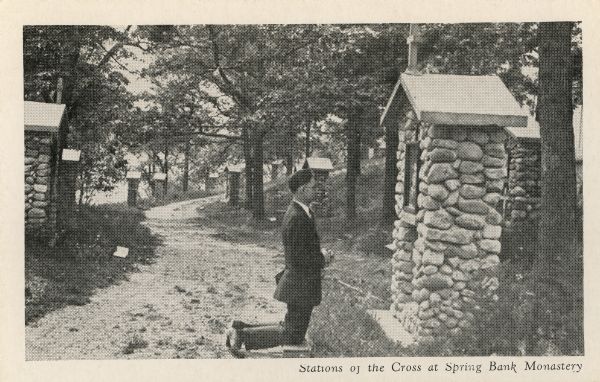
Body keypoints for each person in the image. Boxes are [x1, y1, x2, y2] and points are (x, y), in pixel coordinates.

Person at [225, 168, 329, 357]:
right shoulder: (298, 217)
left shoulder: (302, 212)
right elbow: (298, 259)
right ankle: (241, 336)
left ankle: (240, 328)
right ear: (303, 190)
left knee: (292, 328)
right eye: (314, 187)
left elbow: (302, 249)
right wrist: (323, 259)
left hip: (301, 282)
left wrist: (319, 254)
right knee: (293, 335)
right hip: (300, 284)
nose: (317, 190)